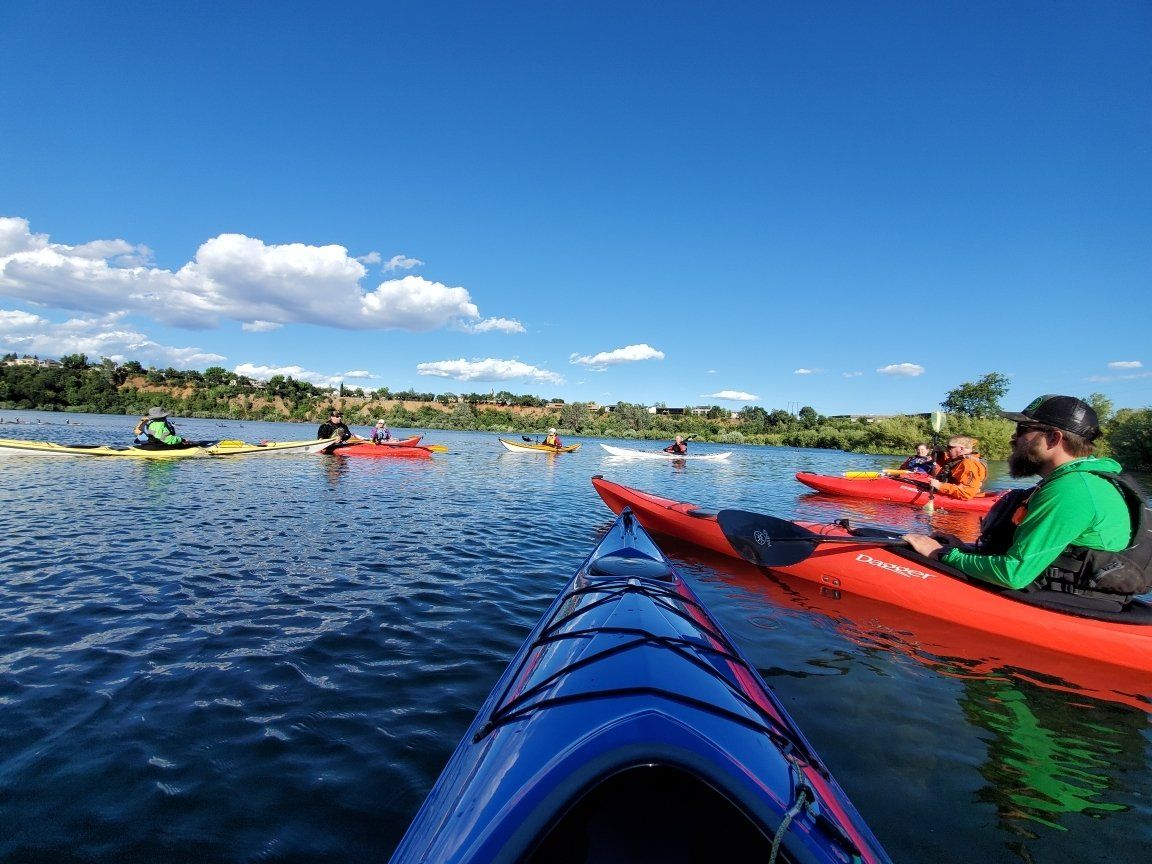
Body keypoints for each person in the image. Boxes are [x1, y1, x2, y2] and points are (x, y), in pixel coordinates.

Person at [903, 395, 1150, 602]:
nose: (1014, 438)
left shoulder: (1072, 489)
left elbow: (1013, 574)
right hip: (1065, 588)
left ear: (1054, 438)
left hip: (1071, 603)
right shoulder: (1081, 479)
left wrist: (941, 554)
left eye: (1023, 430)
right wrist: (963, 548)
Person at [921, 435, 987, 499]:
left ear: (961, 448)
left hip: (963, 498)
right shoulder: (958, 458)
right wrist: (939, 454)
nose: (947, 449)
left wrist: (939, 485)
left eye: (949, 447)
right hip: (953, 493)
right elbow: (947, 464)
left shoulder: (968, 464)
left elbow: (967, 493)